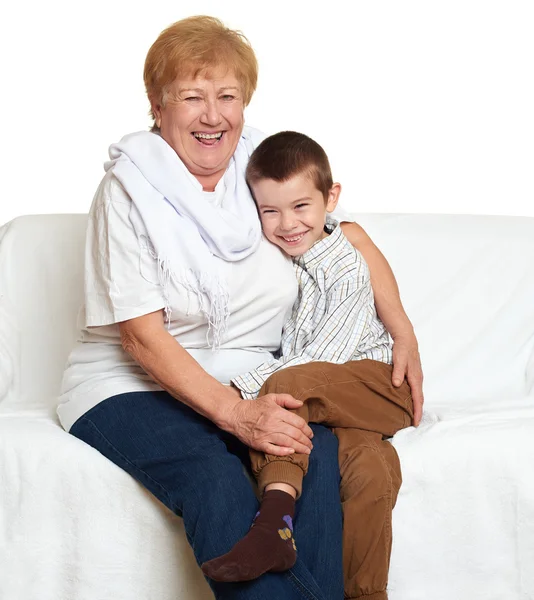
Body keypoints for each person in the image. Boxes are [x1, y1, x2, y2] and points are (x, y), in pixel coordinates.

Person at [57, 15, 423, 600]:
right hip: (129, 385)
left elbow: (342, 235)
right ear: (157, 106)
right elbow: (141, 339)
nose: (212, 115)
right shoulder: (126, 190)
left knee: (317, 455)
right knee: (215, 476)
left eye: (227, 96)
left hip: (258, 375)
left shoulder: (262, 170)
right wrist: (235, 413)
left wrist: (401, 328)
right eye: (191, 97)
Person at [201, 132, 413, 600]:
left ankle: (274, 524)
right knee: (368, 470)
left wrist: (240, 390)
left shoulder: (344, 263)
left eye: (301, 207)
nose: (287, 224)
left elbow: (326, 357)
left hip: (379, 386)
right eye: (270, 212)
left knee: (287, 383)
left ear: (330, 198)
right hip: (341, 403)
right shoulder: (285, 262)